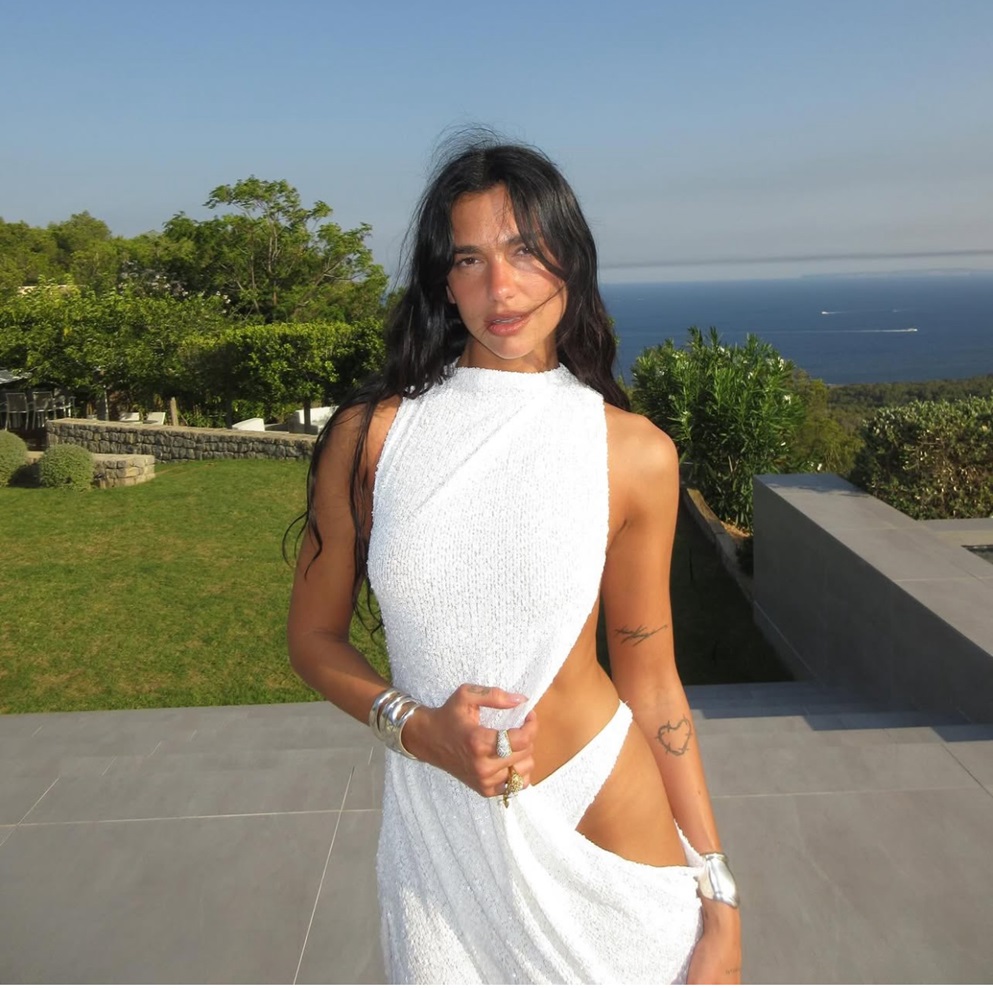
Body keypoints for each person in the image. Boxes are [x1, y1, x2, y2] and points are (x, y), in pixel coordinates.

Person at [287, 136, 743, 985]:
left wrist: (717, 891)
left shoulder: (633, 453)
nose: (501, 287)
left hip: (608, 827)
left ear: (570, 261)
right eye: (470, 258)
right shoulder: (372, 439)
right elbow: (312, 638)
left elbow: (650, 681)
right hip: (437, 824)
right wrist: (416, 729)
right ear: (442, 281)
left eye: (527, 250)